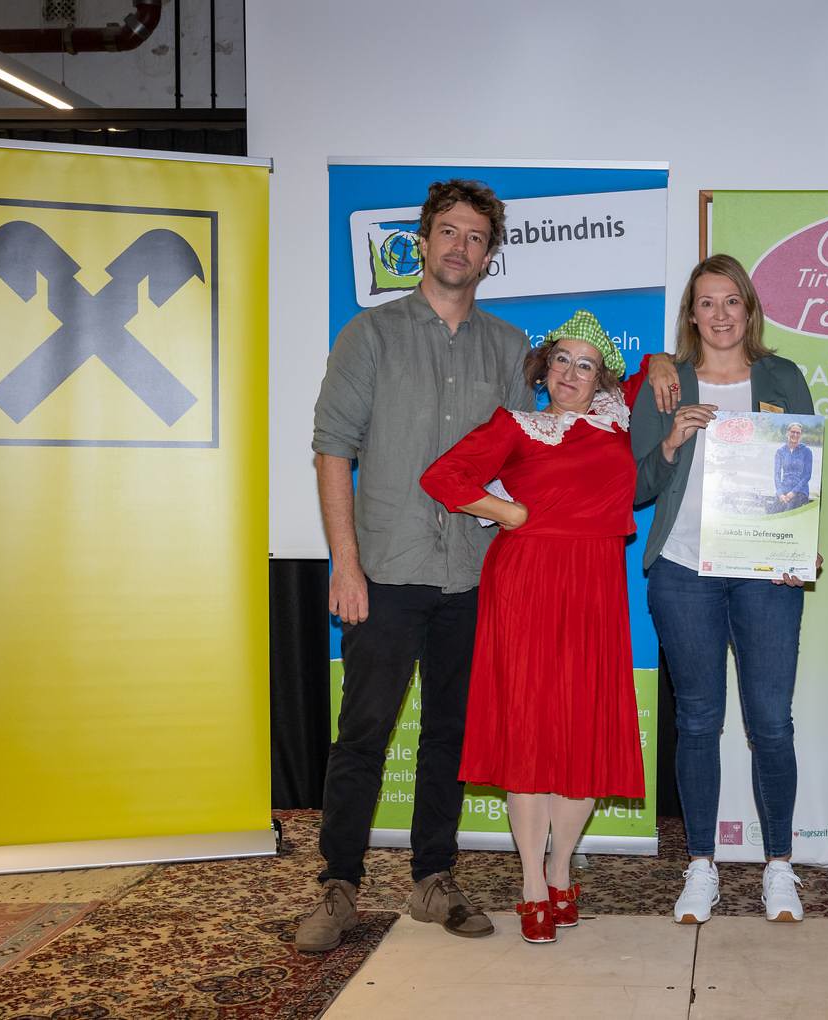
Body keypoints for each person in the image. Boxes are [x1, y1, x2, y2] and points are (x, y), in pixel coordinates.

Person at [301, 179, 530, 952]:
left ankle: (435, 880)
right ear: (423, 243)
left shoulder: (508, 348)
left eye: (475, 237)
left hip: (473, 577)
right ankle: (339, 885)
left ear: (488, 256)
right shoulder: (371, 335)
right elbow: (333, 448)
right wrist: (346, 565)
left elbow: (550, 439)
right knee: (363, 732)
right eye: (448, 233)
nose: (460, 246)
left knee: (451, 736)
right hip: (387, 569)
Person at [420, 309, 645, 945]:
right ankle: (530, 882)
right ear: (543, 367)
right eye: (563, 360)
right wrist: (507, 510)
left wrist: (655, 369)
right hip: (526, 585)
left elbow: (660, 365)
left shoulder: (618, 418)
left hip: (595, 584)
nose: (572, 372)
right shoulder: (514, 425)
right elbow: (443, 477)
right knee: (530, 731)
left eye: (587, 363)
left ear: (602, 378)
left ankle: (560, 866)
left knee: (579, 734)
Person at [631, 254, 815, 926]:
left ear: (749, 308)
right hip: (685, 574)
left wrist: (802, 540)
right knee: (701, 722)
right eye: (706, 303)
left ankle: (779, 867)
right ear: (691, 314)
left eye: (731, 300)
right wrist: (673, 442)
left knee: (771, 724)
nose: (720, 314)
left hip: (767, 573)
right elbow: (636, 485)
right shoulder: (666, 385)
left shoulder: (783, 377)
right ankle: (702, 865)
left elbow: (806, 470)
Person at [773, 422, 813, 510]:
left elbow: (807, 475)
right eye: (792, 432)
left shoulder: (806, 451)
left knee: (789, 509)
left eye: (798, 433)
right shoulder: (780, 451)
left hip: (800, 491)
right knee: (774, 511)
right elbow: (777, 475)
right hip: (784, 490)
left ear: (801, 435)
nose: (795, 434)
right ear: (787, 433)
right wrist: (780, 493)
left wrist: (793, 492)